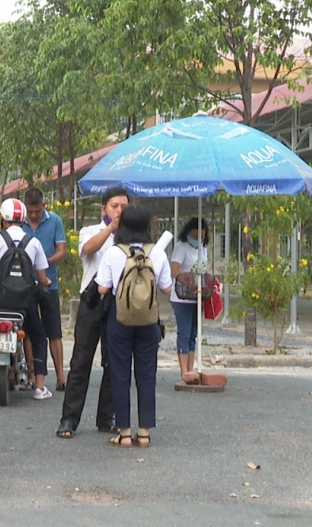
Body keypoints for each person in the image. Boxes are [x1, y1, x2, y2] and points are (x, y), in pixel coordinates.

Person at [95, 204, 172, 448]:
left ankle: (125, 433)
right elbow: (167, 288)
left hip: (120, 321)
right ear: (148, 226)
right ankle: (145, 433)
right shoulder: (157, 253)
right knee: (146, 375)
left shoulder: (114, 252)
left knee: (119, 374)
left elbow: (102, 289)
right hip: (149, 322)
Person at [56, 187, 130, 439]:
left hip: (120, 303)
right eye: (115, 206)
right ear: (104, 209)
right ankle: (69, 419)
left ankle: (106, 416)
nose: (120, 211)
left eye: (124, 207)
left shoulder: (133, 236)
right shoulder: (91, 230)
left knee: (114, 362)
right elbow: (87, 250)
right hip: (92, 301)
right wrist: (111, 229)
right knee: (81, 362)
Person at [0, 198, 53, 400]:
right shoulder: (33, 242)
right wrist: (46, 283)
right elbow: (42, 278)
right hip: (24, 304)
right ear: (23, 218)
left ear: (3, 219)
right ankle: (40, 387)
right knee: (39, 336)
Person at [22, 188, 68, 391]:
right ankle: (32, 375)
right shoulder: (18, 222)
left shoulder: (55, 221)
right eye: (30, 211)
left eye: (37, 211)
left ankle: (60, 376)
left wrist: (42, 263)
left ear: (44, 205)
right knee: (29, 332)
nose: (33, 215)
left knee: (54, 332)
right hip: (24, 286)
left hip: (49, 283)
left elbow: (62, 251)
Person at [170, 217, 209, 384]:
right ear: (188, 233)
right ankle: (184, 371)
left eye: (201, 235)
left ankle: (191, 369)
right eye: (195, 235)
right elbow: (174, 270)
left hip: (197, 297)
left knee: (193, 334)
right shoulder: (181, 248)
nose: (198, 238)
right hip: (181, 297)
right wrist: (186, 282)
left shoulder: (203, 248)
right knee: (184, 333)